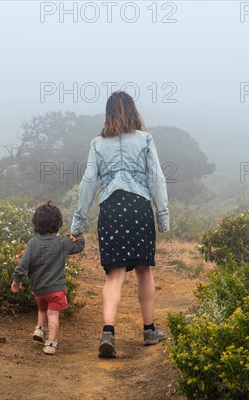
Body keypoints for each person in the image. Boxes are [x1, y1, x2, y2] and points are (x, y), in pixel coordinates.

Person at [70, 91, 170, 358]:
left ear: (109, 113)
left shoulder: (97, 144)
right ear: (133, 111)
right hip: (138, 208)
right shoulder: (145, 139)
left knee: (114, 275)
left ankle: (108, 333)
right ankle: (149, 331)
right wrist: (163, 214)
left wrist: (77, 222)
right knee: (143, 270)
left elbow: (88, 183)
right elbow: (156, 178)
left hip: (111, 209)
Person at [11, 201, 85, 355]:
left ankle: (39, 329)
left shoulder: (33, 243)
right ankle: (51, 342)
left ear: (36, 224)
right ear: (58, 223)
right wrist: (78, 236)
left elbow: (22, 265)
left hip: (38, 289)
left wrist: (17, 280)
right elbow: (79, 247)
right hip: (56, 289)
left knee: (42, 308)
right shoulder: (62, 242)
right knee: (53, 315)